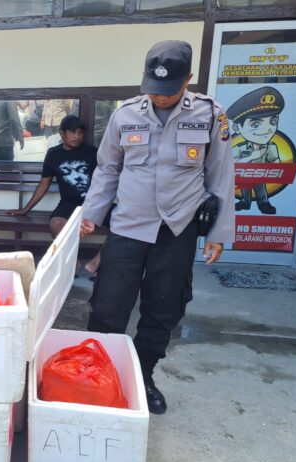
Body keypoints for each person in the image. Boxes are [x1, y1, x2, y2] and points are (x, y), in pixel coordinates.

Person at [80, 40, 235, 414]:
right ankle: (98, 374)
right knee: (107, 307)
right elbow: (108, 169)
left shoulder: (211, 114)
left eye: (169, 90)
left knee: (162, 309)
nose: (160, 98)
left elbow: (221, 175)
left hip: (177, 230)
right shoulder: (125, 115)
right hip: (128, 227)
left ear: (189, 79)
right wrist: (92, 212)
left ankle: (144, 375)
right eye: (153, 88)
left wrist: (218, 234)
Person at [7, 115, 97, 239]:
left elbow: (105, 178)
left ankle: (98, 260)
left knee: (121, 222)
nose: (77, 136)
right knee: (56, 224)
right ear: (62, 133)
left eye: (80, 133)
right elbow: (44, 184)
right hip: (68, 204)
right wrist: (26, 209)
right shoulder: (54, 154)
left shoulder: (91, 152)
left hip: (93, 203)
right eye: (72, 132)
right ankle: (73, 259)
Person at [227, 86, 285, 215]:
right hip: (244, 176)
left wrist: (270, 168)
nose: (267, 129)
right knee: (245, 186)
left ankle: (263, 203)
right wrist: (252, 157)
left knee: (260, 186)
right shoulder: (239, 147)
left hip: (260, 175)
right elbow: (231, 164)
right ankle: (245, 202)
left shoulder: (271, 147)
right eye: (256, 125)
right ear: (237, 127)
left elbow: (277, 165)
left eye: (273, 121)